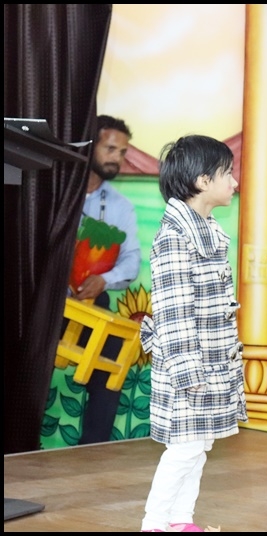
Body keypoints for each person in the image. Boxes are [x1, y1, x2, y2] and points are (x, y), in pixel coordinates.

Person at [138, 134, 247, 533]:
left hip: (210, 364)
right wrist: (188, 372)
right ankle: (154, 523)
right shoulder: (175, 237)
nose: (234, 181)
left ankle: (180, 520)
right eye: (227, 173)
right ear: (203, 181)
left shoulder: (206, 230)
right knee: (184, 449)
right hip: (188, 368)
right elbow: (174, 313)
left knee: (198, 446)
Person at [71, 114, 141, 445]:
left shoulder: (121, 206)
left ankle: (92, 450)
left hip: (93, 301)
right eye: (110, 149)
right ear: (89, 145)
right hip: (46, 300)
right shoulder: (54, 190)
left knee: (111, 362)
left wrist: (104, 279)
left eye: (122, 152)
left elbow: (132, 261)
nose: (117, 158)